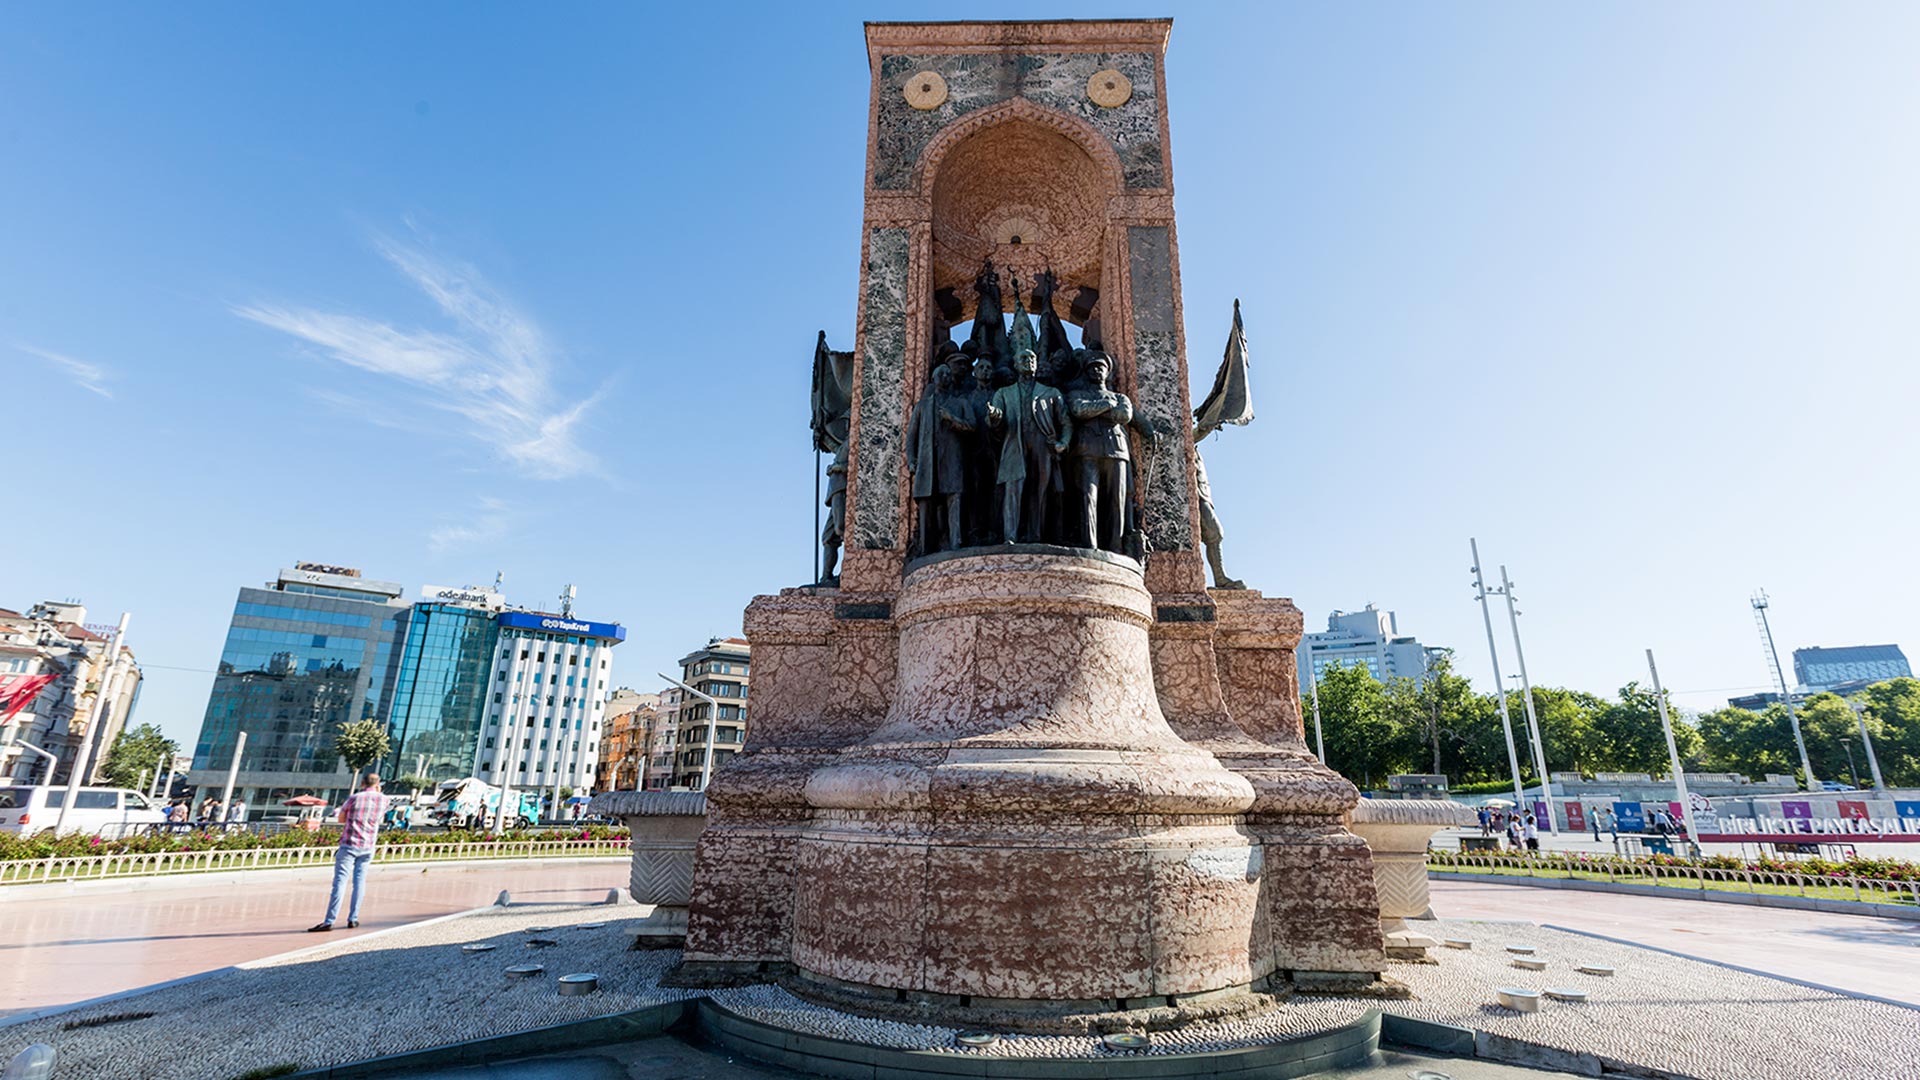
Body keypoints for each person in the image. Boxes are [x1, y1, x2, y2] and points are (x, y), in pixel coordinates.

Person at [310, 773, 384, 932]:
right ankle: (353, 918)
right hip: (368, 846)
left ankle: (329, 920)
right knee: (360, 882)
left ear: (362, 783)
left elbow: (341, 819)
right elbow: (380, 818)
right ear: (378, 784)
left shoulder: (354, 798)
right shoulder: (383, 799)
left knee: (340, 882)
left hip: (349, 844)